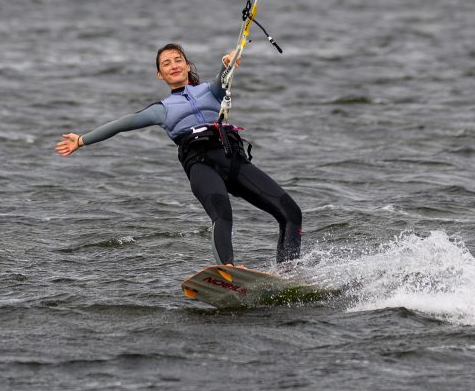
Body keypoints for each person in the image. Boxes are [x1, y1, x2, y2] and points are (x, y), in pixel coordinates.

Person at [56, 42, 302, 268]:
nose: (173, 65)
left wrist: (228, 61)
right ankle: (227, 270)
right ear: (160, 75)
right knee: (222, 214)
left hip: (232, 160)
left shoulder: (211, 91)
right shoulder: (161, 110)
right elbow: (121, 124)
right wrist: (81, 140)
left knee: (291, 213)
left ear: (186, 65)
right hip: (201, 165)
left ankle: (288, 273)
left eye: (177, 60)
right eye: (166, 63)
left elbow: (223, 76)